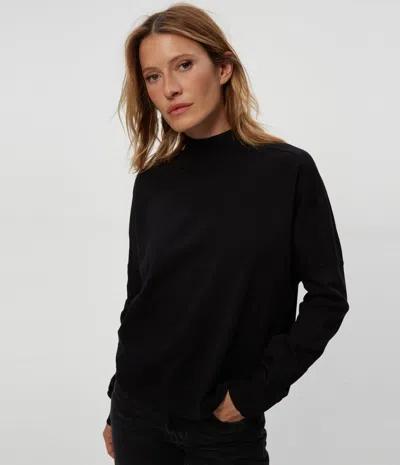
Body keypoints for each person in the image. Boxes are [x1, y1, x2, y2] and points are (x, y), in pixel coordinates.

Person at [102, 3, 350, 464]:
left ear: (223, 68)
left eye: (183, 65)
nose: (169, 88)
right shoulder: (153, 182)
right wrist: (117, 398)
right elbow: (141, 297)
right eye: (153, 76)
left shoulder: (288, 172)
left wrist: (258, 390)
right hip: (137, 415)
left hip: (221, 429)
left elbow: (328, 297)